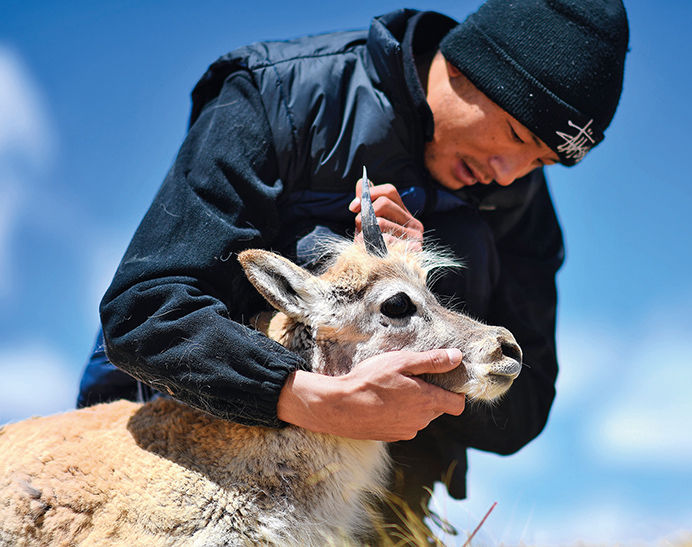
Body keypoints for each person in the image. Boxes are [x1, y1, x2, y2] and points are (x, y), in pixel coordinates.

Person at [77, 0, 629, 537]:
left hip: (367, 510)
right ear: (471, 67)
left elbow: (525, 406)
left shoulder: (523, 209)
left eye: (541, 161)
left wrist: (420, 286)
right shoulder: (278, 94)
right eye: (514, 134)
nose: (509, 175)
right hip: (183, 484)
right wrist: (306, 397)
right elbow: (145, 310)